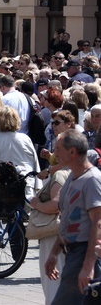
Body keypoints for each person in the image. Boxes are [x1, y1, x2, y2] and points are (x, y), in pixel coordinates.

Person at [45, 129, 101, 304]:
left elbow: (97, 224)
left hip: (84, 253)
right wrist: (54, 253)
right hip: (73, 254)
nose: (55, 154)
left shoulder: (92, 180)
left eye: (58, 149)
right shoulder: (72, 178)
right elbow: (68, 220)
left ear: (72, 151)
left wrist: (87, 266)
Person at [0, 107, 41, 224]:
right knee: (16, 222)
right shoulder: (25, 139)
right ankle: (17, 242)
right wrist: (37, 185)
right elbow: (34, 162)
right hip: (18, 184)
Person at [30, 162, 70, 304]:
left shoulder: (60, 175)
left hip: (53, 233)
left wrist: (37, 204)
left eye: (58, 150)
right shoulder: (84, 175)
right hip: (72, 234)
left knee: (52, 284)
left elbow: (56, 205)